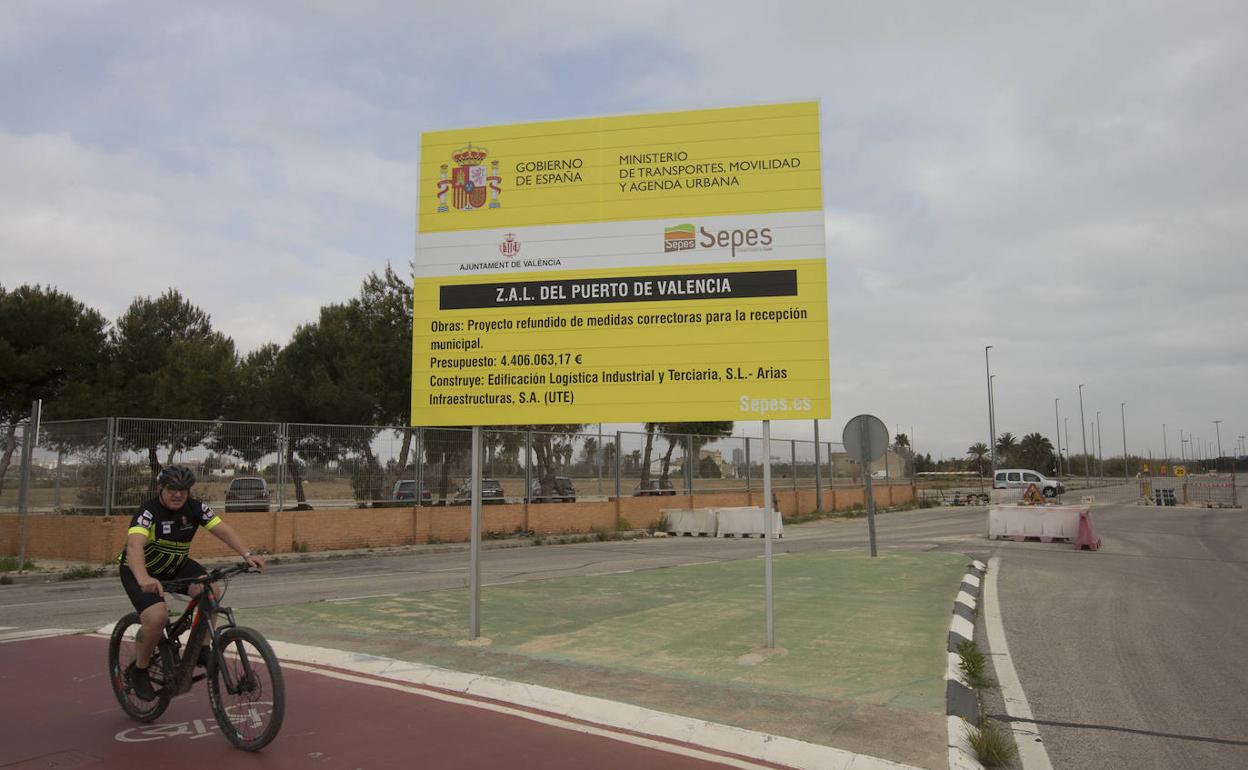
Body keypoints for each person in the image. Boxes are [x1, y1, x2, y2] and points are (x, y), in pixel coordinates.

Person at [117, 464, 265, 700]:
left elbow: (222, 530)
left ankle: (202, 648)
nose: (178, 494)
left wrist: (247, 555)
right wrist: (144, 578)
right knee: (157, 618)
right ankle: (140, 670)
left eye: (183, 490)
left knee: (211, 589)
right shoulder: (148, 511)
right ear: (160, 488)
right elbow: (134, 546)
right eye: (172, 489)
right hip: (141, 570)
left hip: (176, 566)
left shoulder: (195, 508)